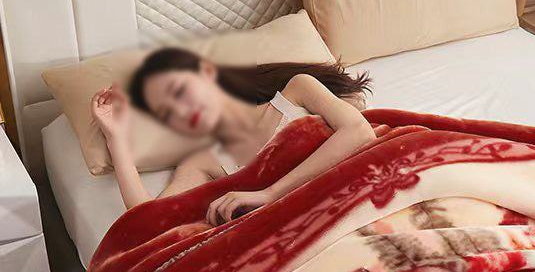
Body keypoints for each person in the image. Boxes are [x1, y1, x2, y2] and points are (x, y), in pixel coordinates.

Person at [91, 49, 375, 224]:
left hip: (362, 200)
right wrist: (117, 140)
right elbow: (150, 218)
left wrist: (271, 193)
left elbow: (360, 132)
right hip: (308, 228)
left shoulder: (298, 89)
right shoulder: (201, 161)